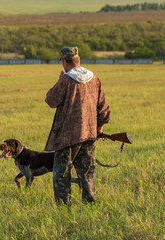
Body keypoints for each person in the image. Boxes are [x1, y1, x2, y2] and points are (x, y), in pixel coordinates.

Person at [45, 47, 111, 204]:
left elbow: (51, 101)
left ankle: (63, 208)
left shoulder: (66, 79)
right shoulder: (94, 78)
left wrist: (59, 80)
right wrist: (99, 126)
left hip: (67, 137)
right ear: (78, 61)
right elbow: (103, 107)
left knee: (62, 173)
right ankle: (90, 204)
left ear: (65, 62)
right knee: (87, 172)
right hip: (89, 134)